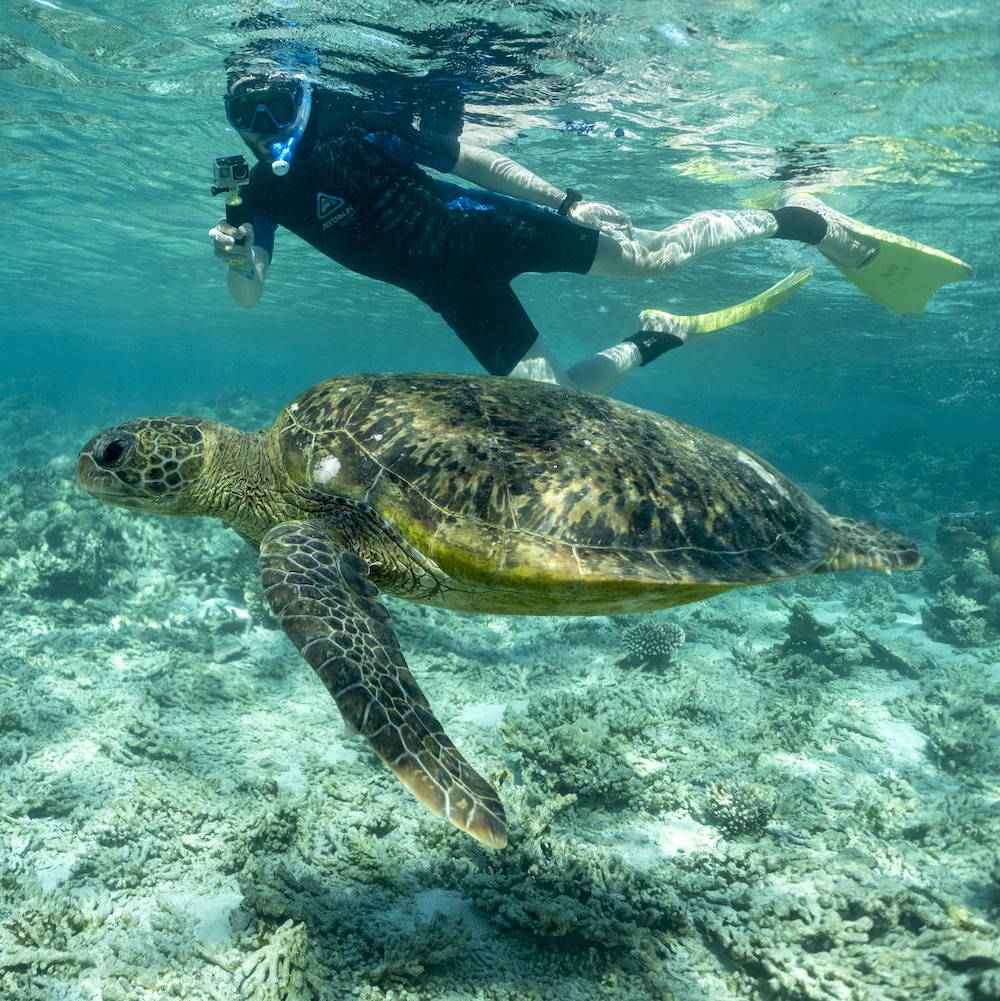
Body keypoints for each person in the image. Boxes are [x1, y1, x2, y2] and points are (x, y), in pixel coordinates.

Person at [209, 64, 971, 397]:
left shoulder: (351, 118)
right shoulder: (240, 182)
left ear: (299, 89)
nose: (263, 127)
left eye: (274, 103)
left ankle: (801, 219)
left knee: (655, 257)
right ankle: (656, 338)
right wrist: (236, 259)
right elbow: (246, 299)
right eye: (246, 116)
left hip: (486, 231)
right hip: (448, 293)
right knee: (561, 406)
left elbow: (472, 160)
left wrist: (568, 201)